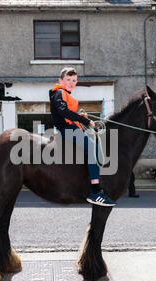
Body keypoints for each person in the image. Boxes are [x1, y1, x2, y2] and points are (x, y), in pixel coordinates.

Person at [49, 67, 116, 206]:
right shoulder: (59, 92)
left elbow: (67, 114)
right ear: (60, 80)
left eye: (74, 80)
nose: (71, 83)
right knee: (93, 149)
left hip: (70, 127)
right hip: (68, 130)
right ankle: (95, 191)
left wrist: (79, 117)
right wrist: (85, 120)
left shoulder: (64, 94)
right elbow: (63, 112)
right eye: (68, 80)